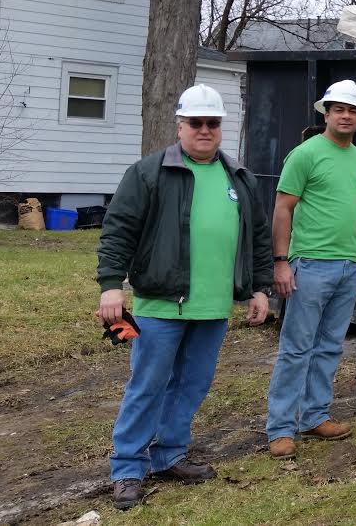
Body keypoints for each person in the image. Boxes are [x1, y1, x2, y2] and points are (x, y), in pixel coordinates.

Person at [96, 84, 273, 510]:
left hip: (212, 307)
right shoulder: (149, 173)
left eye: (213, 123)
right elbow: (118, 230)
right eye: (196, 123)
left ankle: (169, 455)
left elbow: (259, 238)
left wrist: (261, 288)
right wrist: (110, 285)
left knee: (192, 384)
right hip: (160, 303)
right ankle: (127, 468)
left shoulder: (239, 177)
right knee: (148, 385)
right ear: (180, 125)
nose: (205, 130)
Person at [265, 81, 356, 459]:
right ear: (326, 113)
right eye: (338, 109)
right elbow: (283, 208)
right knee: (296, 348)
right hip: (309, 264)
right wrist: (281, 262)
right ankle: (280, 427)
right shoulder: (305, 154)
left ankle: (314, 416)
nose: (346, 116)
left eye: (352, 110)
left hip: (348, 266)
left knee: (330, 346)